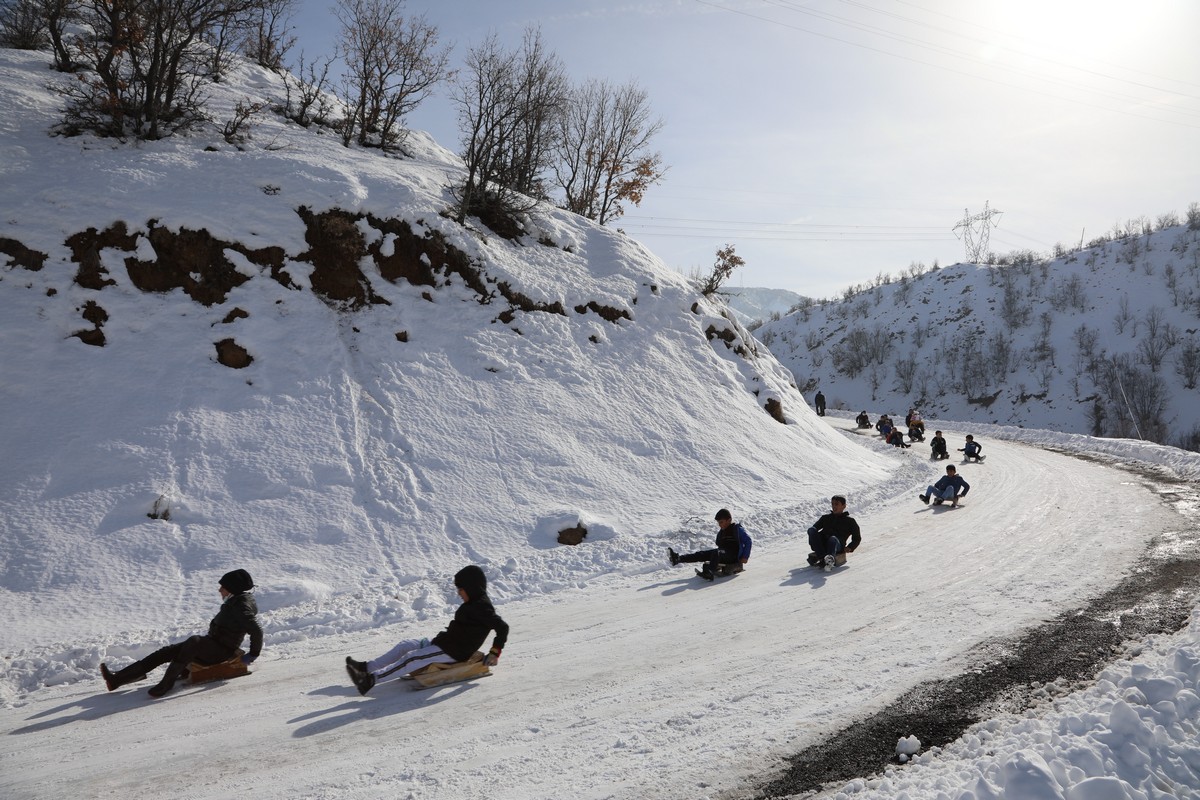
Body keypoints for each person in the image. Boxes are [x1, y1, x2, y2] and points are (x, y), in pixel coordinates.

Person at [345, 565, 509, 695]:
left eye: (461, 588)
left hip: (454, 652)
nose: (459, 592)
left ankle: (370, 680)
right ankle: (366, 668)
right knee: (405, 645)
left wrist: (495, 652)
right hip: (443, 643)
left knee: (411, 658)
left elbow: (503, 627)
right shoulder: (473, 602)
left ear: (472, 587)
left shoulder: (482, 607)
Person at [100, 569, 263, 698]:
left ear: (232, 589)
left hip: (221, 652)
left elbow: (256, 630)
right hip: (212, 645)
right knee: (167, 651)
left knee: (194, 641)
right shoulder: (236, 601)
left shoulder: (241, 606)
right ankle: (116, 680)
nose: (219, 589)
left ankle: (167, 683)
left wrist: (253, 654)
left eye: (223, 587)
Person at [668, 508, 752, 581]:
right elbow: (718, 544)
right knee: (703, 554)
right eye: (718, 522)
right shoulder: (722, 532)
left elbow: (748, 541)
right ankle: (678, 559)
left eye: (721, 522)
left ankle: (710, 572)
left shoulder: (736, 529)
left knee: (716, 552)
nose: (720, 525)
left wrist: (745, 557)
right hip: (723, 553)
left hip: (733, 556)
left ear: (729, 520)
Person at [805, 495, 861, 571]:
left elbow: (857, 538)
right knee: (811, 529)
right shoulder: (825, 518)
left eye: (837, 504)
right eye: (832, 504)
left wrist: (850, 547)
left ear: (844, 506)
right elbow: (814, 528)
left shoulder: (850, 521)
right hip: (822, 545)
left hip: (837, 545)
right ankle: (823, 558)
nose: (834, 506)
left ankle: (829, 560)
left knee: (833, 539)